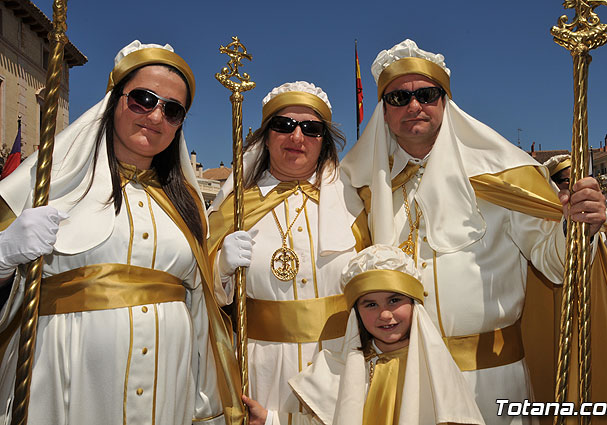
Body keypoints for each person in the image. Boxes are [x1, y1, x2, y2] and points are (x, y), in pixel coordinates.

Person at [341, 39, 607, 423]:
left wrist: (577, 226)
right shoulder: (363, 189)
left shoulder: (504, 176)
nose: (413, 105)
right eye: (398, 98)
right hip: (407, 378)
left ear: (445, 102)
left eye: (426, 94)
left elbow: (556, 266)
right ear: (383, 112)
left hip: (491, 378)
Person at [0, 41, 241, 425]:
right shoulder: (52, 183)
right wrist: (3, 254)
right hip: (66, 381)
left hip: (170, 389)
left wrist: (206, 404)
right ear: (114, 101)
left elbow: (199, 311)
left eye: (173, 110)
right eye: (143, 99)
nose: (156, 116)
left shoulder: (188, 205)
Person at [208, 81, 369, 425]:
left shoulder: (353, 202)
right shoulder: (235, 205)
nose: (297, 137)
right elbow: (198, 284)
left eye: (311, 129)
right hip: (261, 367)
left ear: (323, 140)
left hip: (338, 361)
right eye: (284, 125)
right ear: (265, 136)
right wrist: (220, 264)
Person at [245, 244, 485, 425]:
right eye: (370, 305)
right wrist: (270, 419)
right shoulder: (343, 368)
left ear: (414, 304)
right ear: (356, 313)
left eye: (394, 300)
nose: (384, 314)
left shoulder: (433, 369)